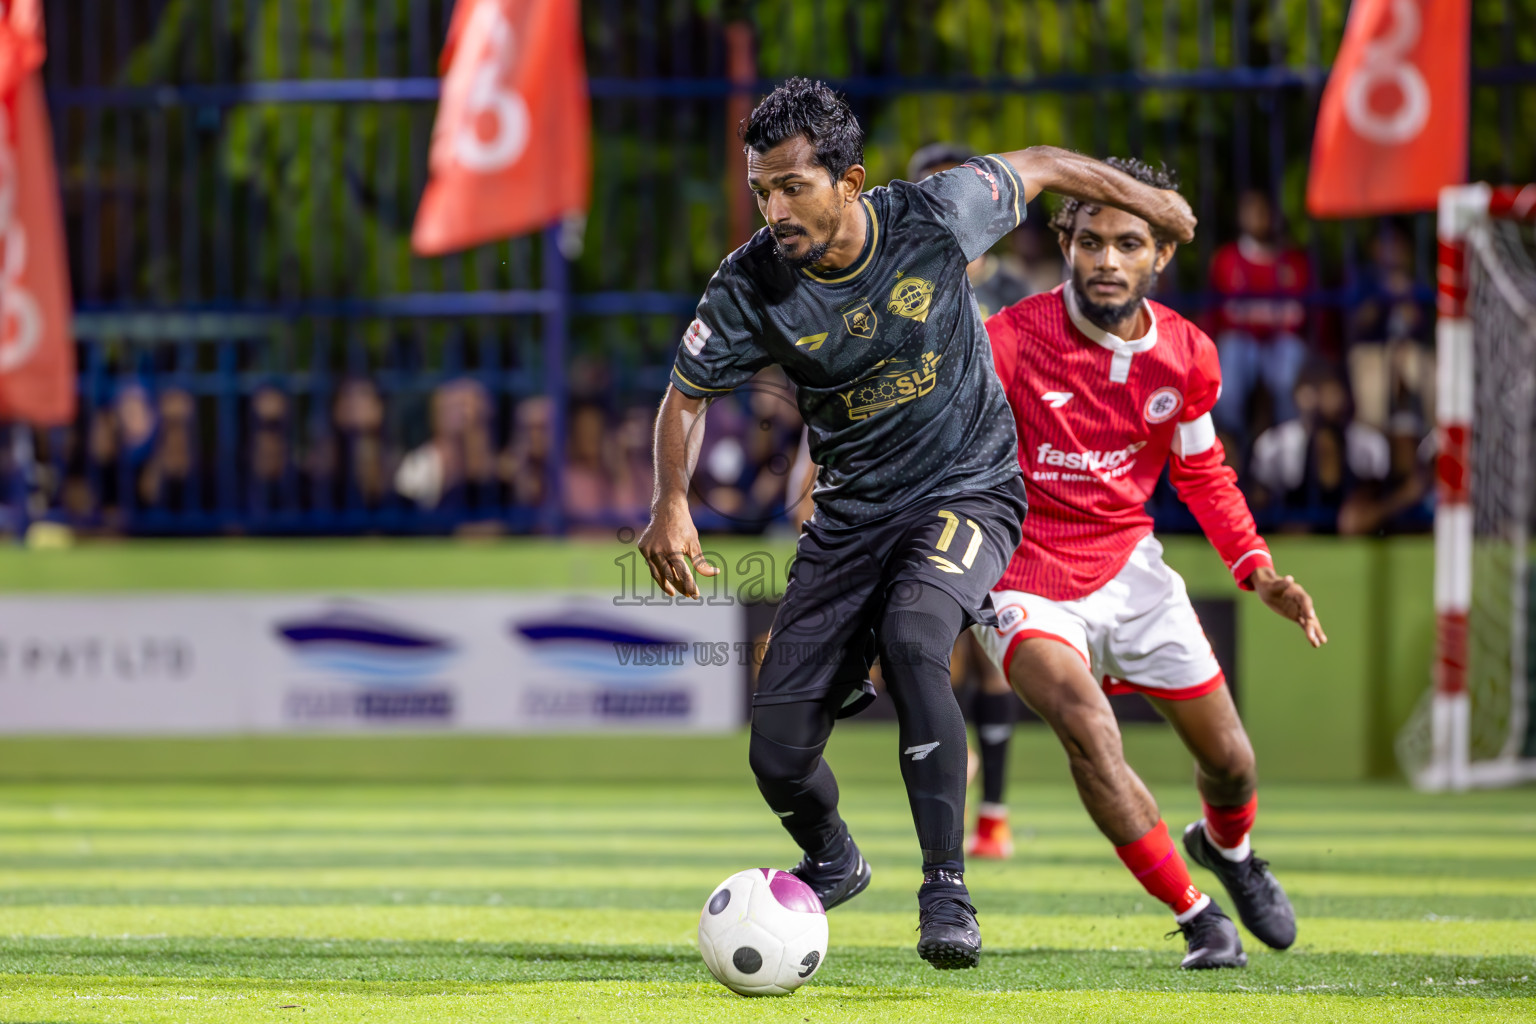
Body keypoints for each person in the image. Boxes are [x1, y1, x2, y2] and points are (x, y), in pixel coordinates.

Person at [637, 79, 1195, 970]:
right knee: (777, 754)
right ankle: (833, 858)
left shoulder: (936, 215)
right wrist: (670, 501)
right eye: (760, 190)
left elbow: (1047, 164)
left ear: (850, 181)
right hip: (851, 518)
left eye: (792, 186)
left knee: (914, 634)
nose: (774, 208)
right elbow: (686, 396)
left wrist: (1150, 200)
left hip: (969, 487)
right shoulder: (750, 283)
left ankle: (947, 888)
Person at [977, 157, 1325, 970]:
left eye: (1128, 243)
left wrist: (1258, 569)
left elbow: (1202, 472)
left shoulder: (1188, 355)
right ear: (1065, 243)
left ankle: (1229, 854)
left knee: (1232, 764)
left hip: (1131, 570)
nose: (1106, 260)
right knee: (1088, 730)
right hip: (1025, 577)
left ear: (1160, 254)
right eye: (1089, 241)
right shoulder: (1009, 342)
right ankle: (1197, 914)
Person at [907, 143, 1027, 860]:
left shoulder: (1016, 294)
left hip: (996, 490)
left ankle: (995, 815)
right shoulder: (901, 285)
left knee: (993, 658)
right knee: (930, 651)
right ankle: (965, 790)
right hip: (919, 489)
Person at [1209, 189, 1312, 442]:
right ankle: (1231, 447)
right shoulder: (1226, 259)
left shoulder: (1294, 261)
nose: (1258, 217)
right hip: (1240, 343)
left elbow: (1299, 314)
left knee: (1288, 376)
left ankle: (1289, 446)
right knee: (1229, 380)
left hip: (1282, 342)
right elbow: (1221, 315)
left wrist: (1250, 314)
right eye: (1251, 210)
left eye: (1263, 210)